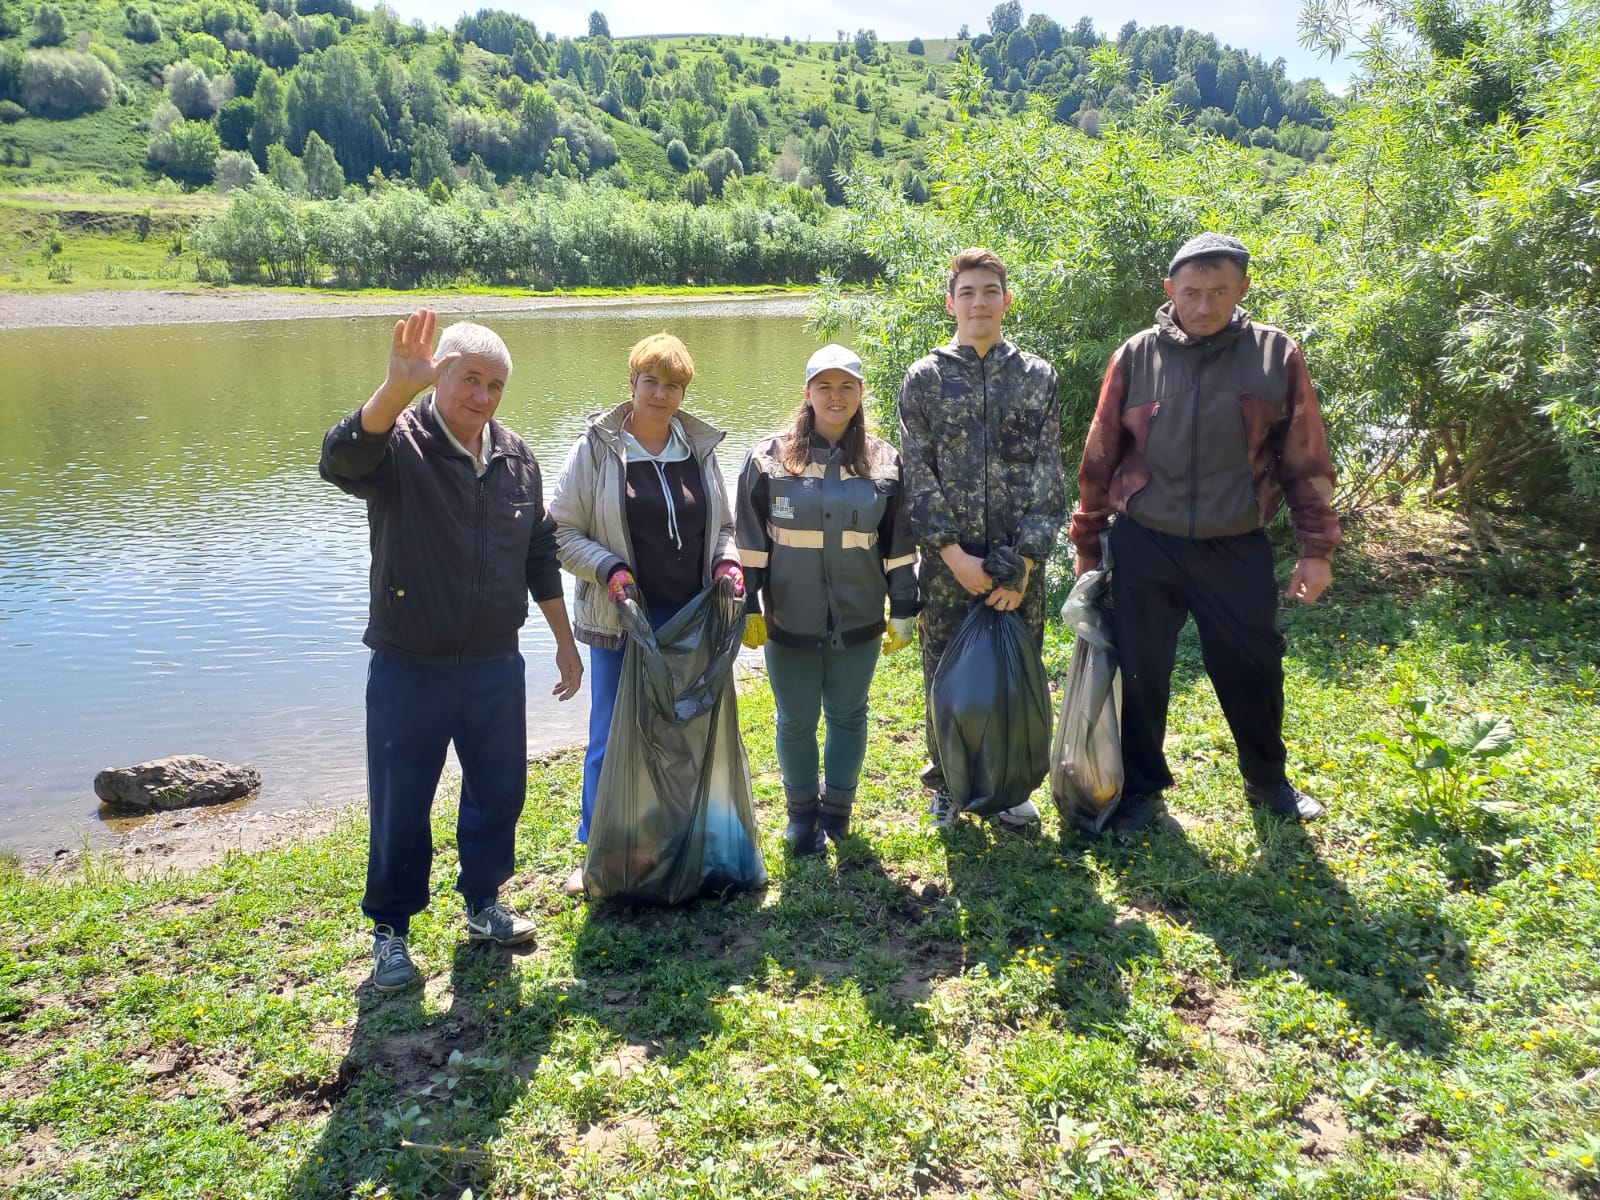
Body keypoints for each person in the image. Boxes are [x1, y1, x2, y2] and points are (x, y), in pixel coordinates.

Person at [319, 309, 583, 992]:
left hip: (495, 661)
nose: (482, 397)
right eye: (470, 379)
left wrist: (564, 643)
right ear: (440, 375)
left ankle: (484, 903)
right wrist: (392, 393)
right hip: (411, 663)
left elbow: (538, 554)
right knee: (401, 801)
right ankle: (392, 933)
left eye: (495, 385)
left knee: (500, 791)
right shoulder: (398, 443)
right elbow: (339, 461)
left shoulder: (518, 458)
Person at [1069, 233, 1342, 834]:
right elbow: (1100, 456)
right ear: (1170, 291)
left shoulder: (1276, 355)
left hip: (1235, 543)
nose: (1204, 304)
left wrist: (1316, 549)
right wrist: (1089, 546)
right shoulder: (1136, 355)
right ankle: (1141, 789)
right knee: (1141, 671)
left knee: (1253, 666)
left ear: (1242, 289)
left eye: (1220, 291)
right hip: (1146, 542)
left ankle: (1267, 779)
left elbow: (1305, 460)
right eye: (1191, 292)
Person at [549, 332, 743, 895]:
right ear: (631, 383)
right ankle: (599, 849)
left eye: (673, 384)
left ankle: (677, 838)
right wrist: (609, 569)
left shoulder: (698, 448)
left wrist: (726, 565)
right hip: (622, 621)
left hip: (690, 621)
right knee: (612, 735)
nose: (660, 393)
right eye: (650, 381)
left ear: (684, 392)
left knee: (684, 727)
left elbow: (725, 528)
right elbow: (560, 532)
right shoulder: (596, 449)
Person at [899, 247, 1067, 829]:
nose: (978, 303)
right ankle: (947, 782)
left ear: (1006, 300)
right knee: (946, 678)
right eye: (967, 293)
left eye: (989, 292)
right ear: (951, 302)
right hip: (951, 567)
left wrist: (1023, 563)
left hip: (1019, 566)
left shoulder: (1038, 376)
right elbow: (916, 474)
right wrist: (951, 555)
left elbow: (1050, 477)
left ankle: (1008, 787)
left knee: (1014, 676)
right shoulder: (925, 378)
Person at [734, 345, 920, 854]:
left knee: (848, 714)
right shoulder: (767, 458)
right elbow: (749, 542)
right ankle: (800, 817)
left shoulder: (885, 462)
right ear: (807, 392)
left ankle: (837, 813)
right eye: (825, 386)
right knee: (794, 719)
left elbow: (899, 546)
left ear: (860, 394)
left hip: (859, 617)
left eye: (846, 387)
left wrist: (904, 608)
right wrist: (748, 605)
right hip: (789, 619)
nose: (835, 397)